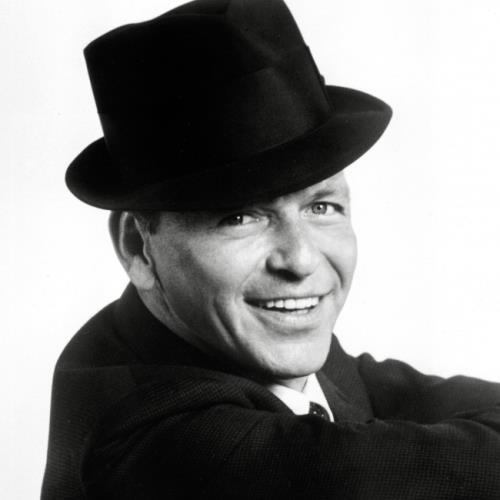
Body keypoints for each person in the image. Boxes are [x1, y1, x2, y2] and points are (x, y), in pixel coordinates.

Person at [42, 0, 500, 498]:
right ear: (138, 246)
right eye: (240, 217)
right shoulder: (155, 437)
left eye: (321, 206)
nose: (301, 260)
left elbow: (389, 393)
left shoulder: (230, 333)